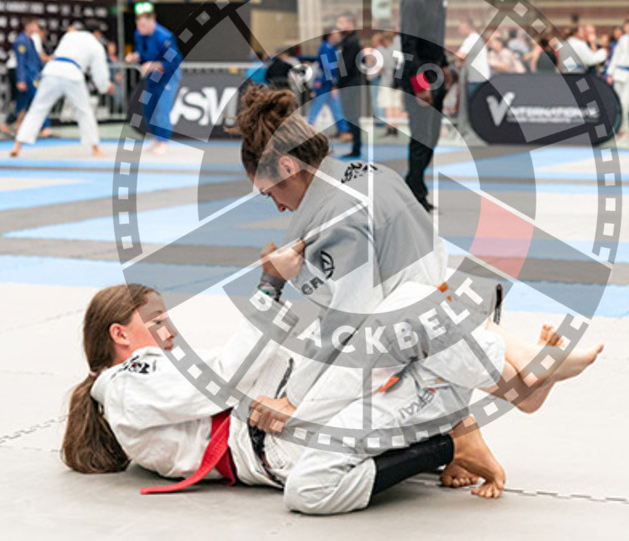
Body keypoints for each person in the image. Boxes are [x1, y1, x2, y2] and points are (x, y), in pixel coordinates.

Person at [232, 86, 604, 423]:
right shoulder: (370, 171)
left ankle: (522, 364)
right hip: (442, 291)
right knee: (435, 318)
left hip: (415, 317)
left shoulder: (330, 219)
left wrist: (297, 399)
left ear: (287, 166)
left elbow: (347, 321)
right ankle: (523, 362)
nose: (278, 207)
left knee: (371, 340)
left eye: (270, 193)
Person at [61, 284, 523, 515]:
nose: (170, 327)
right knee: (382, 350)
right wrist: (267, 291)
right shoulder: (128, 381)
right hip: (271, 437)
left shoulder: (135, 387)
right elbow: (222, 377)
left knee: (374, 344)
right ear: (120, 334)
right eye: (157, 319)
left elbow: (230, 369)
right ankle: (461, 386)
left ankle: (458, 396)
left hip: (277, 426)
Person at [397, 0, 455, 212]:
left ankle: (414, 187)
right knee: (421, 138)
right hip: (417, 79)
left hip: (435, 75)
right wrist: (420, 87)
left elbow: (435, 39)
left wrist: (444, 66)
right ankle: (414, 194)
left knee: (431, 137)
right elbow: (408, 47)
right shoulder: (413, 0)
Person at [10, 22, 112, 158]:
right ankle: (95, 148)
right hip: (72, 74)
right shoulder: (95, 44)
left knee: (37, 108)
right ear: (97, 34)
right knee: (84, 111)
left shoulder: (69, 36)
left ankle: (18, 144)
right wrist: (105, 86)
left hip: (52, 70)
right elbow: (99, 71)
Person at [125, 4, 182, 155]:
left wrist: (154, 64)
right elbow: (141, 52)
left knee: (161, 109)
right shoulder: (139, 34)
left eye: (143, 24)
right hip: (153, 76)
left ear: (152, 22)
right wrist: (135, 56)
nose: (140, 27)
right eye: (138, 24)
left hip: (168, 76)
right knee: (148, 108)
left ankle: (163, 141)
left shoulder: (164, 37)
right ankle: (156, 139)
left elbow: (174, 61)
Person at [0, 17, 49, 138]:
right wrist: (21, 80)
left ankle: (13, 126)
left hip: (27, 74)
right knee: (33, 99)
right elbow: (20, 62)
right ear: (29, 26)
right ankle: (44, 128)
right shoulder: (21, 41)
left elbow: (35, 59)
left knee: (22, 101)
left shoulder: (30, 40)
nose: (37, 29)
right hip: (21, 73)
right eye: (36, 26)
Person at [306, 28, 348, 136]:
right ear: (330, 35)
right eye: (336, 33)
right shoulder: (325, 47)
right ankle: (306, 129)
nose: (339, 35)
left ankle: (343, 130)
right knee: (316, 107)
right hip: (324, 83)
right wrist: (333, 83)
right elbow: (326, 66)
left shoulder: (333, 48)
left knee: (336, 107)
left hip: (329, 82)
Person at [334, 12, 364, 159]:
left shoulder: (352, 42)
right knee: (350, 115)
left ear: (350, 25)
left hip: (350, 84)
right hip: (348, 83)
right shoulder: (346, 42)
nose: (339, 26)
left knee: (352, 115)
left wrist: (337, 82)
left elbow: (346, 65)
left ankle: (357, 147)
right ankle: (356, 145)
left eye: (342, 22)